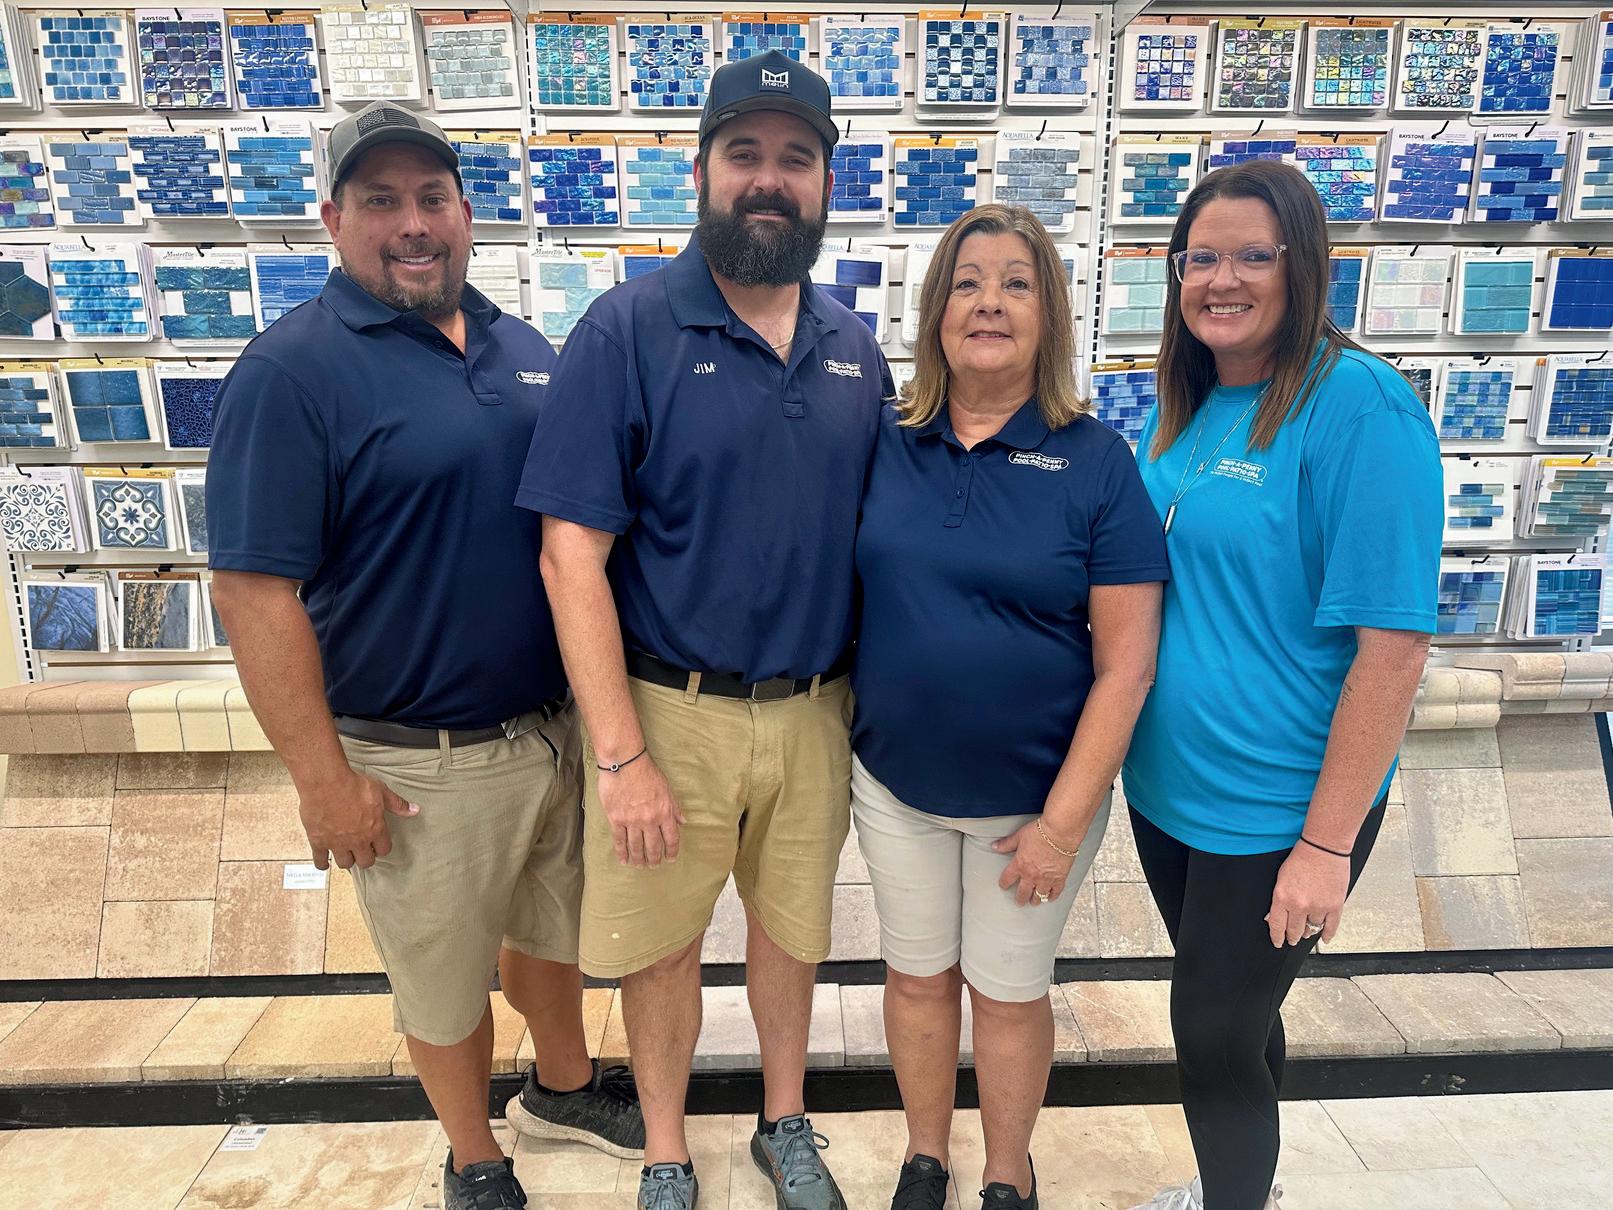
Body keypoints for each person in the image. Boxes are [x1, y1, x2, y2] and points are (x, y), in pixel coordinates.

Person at [206, 101, 643, 1210]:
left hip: (547, 732)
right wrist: (322, 780)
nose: (413, 223)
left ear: (465, 213)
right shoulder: (291, 370)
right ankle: (473, 1157)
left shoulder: (523, 348)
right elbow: (253, 593)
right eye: (381, 201)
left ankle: (563, 1086)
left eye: (432, 198)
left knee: (550, 936)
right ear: (333, 220)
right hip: (415, 759)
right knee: (444, 984)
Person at [517, 52, 888, 1210]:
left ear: (825, 183)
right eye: (744, 154)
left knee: (790, 934)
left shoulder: (853, 349)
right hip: (666, 713)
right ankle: (667, 1150)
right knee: (662, 943)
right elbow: (568, 555)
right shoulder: (624, 330)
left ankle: (784, 1123)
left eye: (795, 158)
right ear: (700, 173)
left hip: (813, 709)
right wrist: (619, 753)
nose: (767, 179)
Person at [1122, 161, 1441, 1210]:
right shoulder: (1192, 400)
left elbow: (1392, 648)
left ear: (1302, 266)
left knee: (1209, 1031)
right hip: (1170, 793)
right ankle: (1236, 1189)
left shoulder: (1360, 407)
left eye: (1252, 256)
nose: (1221, 280)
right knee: (1239, 1020)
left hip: (1276, 809)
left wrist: (1325, 846)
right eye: (1199, 258)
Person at [850, 204, 1168, 1210]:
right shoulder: (884, 441)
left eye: (1015, 284)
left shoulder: (1096, 461)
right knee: (914, 980)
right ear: (935, 311)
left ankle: (1004, 1170)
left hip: (1032, 808)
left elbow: (1126, 669)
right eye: (967, 282)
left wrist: (1060, 827)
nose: (988, 302)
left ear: (1050, 315)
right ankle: (924, 1155)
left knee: (1006, 992)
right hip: (894, 785)